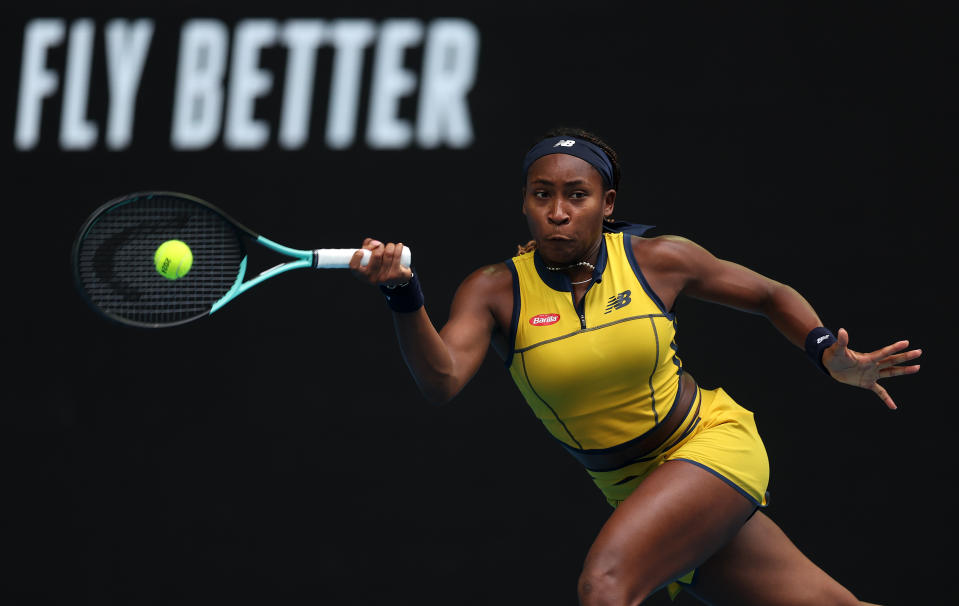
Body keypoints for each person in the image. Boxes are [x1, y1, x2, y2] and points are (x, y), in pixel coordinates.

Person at [349, 127, 921, 605]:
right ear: (523, 202)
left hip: (709, 445)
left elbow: (771, 294)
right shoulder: (494, 290)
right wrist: (404, 295)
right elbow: (441, 380)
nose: (557, 212)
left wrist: (828, 354)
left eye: (577, 195)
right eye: (541, 194)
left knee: (605, 587)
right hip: (628, 485)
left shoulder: (657, 259)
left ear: (608, 203)